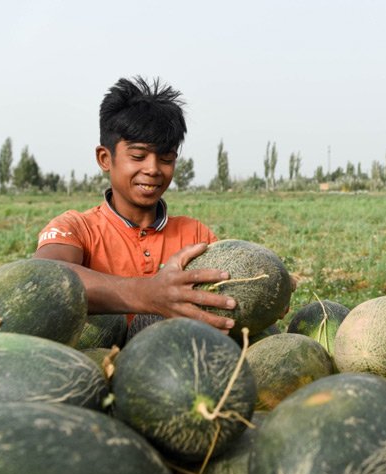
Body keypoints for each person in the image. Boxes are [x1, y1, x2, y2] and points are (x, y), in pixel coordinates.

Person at [35, 76, 236, 333]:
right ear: (105, 158)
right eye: (138, 156)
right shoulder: (76, 228)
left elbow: (231, 286)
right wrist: (148, 294)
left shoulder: (195, 234)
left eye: (165, 158)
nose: (152, 169)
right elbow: (44, 278)